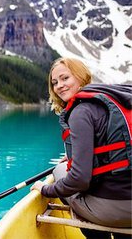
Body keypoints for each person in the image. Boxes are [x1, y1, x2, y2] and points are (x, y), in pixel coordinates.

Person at [31, 57, 132, 239]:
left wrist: (45, 189)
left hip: (118, 210)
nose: (59, 86)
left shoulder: (81, 112)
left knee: (60, 170)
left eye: (65, 78)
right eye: (54, 83)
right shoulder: (111, 103)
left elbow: (79, 180)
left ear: (81, 76)